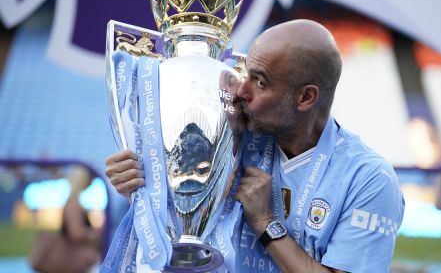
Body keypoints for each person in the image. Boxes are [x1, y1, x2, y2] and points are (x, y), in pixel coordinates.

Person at [105, 19, 405, 272]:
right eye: (246, 72)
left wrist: (265, 223)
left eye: (259, 82)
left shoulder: (368, 179)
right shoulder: (230, 132)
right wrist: (141, 178)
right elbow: (175, 219)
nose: (241, 90)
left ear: (305, 98)